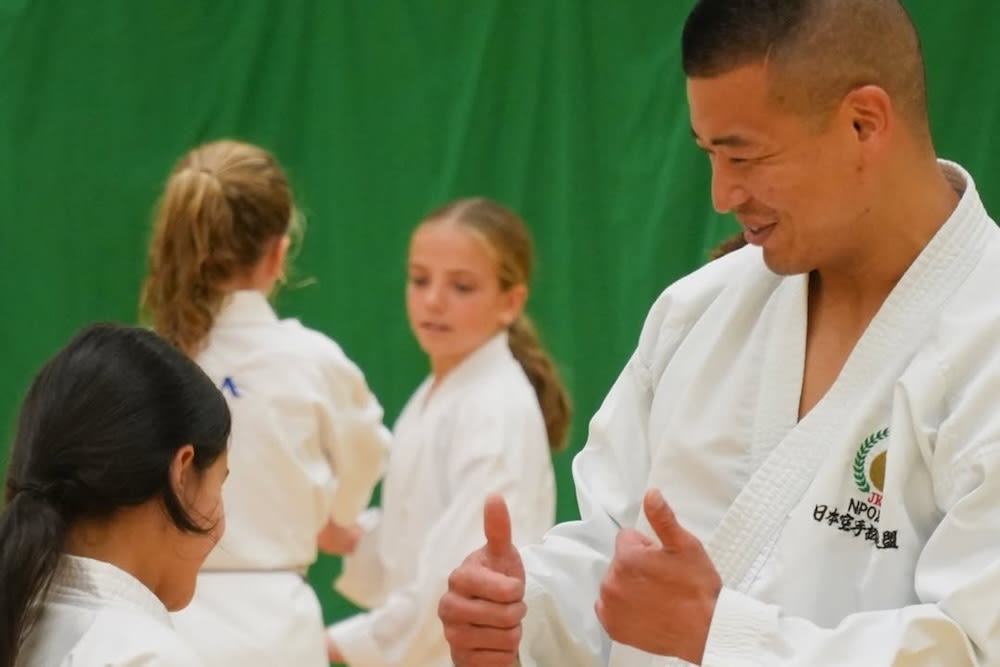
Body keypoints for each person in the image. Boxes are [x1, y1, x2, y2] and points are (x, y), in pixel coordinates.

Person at [438, 0, 1000, 665]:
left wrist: (721, 635)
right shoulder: (698, 311)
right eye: (709, 154)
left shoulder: (984, 341)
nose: (722, 194)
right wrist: (522, 609)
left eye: (746, 156)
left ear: (864, 122)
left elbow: (976, 643)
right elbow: (614, 553)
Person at [140, 139, 389, 666]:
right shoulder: (314, 361)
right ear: (278, 253)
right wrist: (338, 513)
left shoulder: (143, 364)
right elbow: (367, 456)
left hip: (161, 630)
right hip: (279, 634)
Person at [325, 197, 572, 666]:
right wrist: (356, 538)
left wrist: (327, 643)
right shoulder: (437, 392)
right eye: (420, 279)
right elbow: (421, 541)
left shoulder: (495, 409)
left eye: (461, 286)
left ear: (510, 302)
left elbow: (454, 583)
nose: (433, 300)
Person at [0, 324, 231, 667]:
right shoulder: (147, 656)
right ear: (182, 473)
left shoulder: (21, 626)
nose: (222, 522)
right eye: (219, 484)